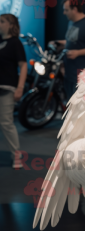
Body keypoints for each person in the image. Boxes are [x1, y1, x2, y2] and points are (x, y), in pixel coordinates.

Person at [49, 0, 85, 100]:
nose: (64, 13)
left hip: (83, 75)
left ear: (75, 9)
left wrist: (78, 53)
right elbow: (73, 41)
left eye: (66, 10)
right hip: (70, 73)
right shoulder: (72, 22)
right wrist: (58, 42)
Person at [0, 14, 27, 169]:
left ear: (11, 25)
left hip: (7, 88)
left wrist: (20, 88)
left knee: (6, 123)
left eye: (2, 21)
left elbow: (23, 66)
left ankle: (16, 153)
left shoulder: (15, 43)